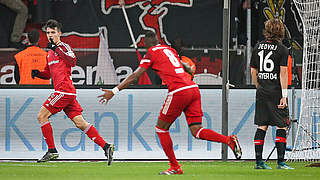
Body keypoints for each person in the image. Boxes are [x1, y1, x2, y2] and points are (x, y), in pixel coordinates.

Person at [98, 31, 242, 175]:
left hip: (179, 91)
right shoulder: (168, 49)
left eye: (144, 43)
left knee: (161, 129)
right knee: (196, 130)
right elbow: (182, 65)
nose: (144, 46)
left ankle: (175, 166)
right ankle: (229, 140)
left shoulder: (151, 52)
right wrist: (187, 69)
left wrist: (114, 91)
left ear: (148, 42)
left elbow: (135, 76)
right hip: (193, 88)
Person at [32, 19, 114, 165]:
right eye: (48, 33)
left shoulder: (63, 47)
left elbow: (72, 61)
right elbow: (48, 73)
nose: (50, 35)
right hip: (66, 93)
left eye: (53, 32)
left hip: (64, 91)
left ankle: (52, 150)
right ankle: (106, 146)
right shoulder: (49, 53)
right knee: (80, 123)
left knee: (41, 115)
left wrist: (56, 48)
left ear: (59, 33)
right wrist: (38, 73)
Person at [250, 19, 294, 170]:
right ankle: (281, 163)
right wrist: (284, 95)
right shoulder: (282, 49)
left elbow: (253, 71)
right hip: (276, 92)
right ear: (281, 31)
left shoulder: (257, 47)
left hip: (262, 91)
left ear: (267, 30)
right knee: (281, 125)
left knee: (262, 125)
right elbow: (283, 73)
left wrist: (258, 86)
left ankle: (258, 162)